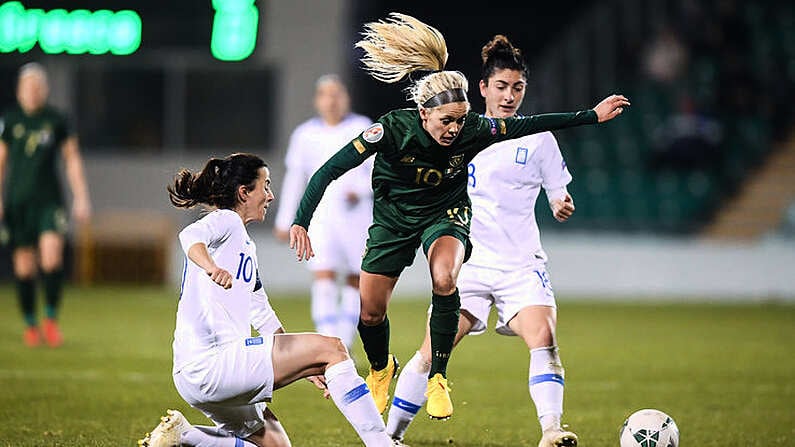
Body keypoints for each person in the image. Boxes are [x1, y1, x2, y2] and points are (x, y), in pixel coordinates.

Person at [288, 13, 629, 421]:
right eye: (446, 121)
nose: (454, 129)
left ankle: (439, 379)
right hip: (394, 220)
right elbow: (329, 170)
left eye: (460, 119)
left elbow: (533, 124)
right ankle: (381, 368)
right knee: (370, 311)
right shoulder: (390, 130)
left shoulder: (473, 129)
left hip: (444, 214)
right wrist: (300, 221)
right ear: (423, 114)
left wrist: (590, 115)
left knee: (447, 278)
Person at [385, 35, 580, 447]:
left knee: (544, 339)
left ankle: (551, 431)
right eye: (502, 87)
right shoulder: (458, 134)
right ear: (484, 88)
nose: (510, 96)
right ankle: (389, 437)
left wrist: (561, 202)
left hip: (520, 264)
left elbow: (557, 190)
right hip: (466, 264)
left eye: (518, 87)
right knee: (431, 350)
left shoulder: (539, 138)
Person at [138, 153, 391, 447]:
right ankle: (382, 444)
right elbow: (189, 235)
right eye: (265, 186)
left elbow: (262, 314)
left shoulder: (244, 244)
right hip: (216, 361)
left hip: (197, 373)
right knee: (333, 347)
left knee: (277, 445)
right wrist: (211, 267)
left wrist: (304, 366)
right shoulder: (227, 220)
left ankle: (185, 436)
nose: (270, 195)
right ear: (243, 192)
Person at [273, 74, 373, 351]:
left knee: (357, 278)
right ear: (317, 100)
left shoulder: (362, 127)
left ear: (346, 98)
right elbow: (295, 178)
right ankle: (328, 342)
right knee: (323, 275)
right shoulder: (305, 134)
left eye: (337, 94)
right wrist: (286, 219)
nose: (331, 100)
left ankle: (345, 341)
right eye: (325, 95)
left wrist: (361, 188)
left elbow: (378, 172)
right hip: (320, 217)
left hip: (356, 217)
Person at [0, 62, 91, 347]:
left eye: (38, 87)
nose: (33, 93)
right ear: (19, 91)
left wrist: (81, 196)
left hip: (49, 202)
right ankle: (30, 324)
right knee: (24, 268)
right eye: (28, 87)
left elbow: (72, 158)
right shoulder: (10, 120)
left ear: (45, 90)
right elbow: (1, 162)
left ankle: (50, 319)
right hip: (18, 204)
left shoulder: (57, 120)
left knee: (52, 257)